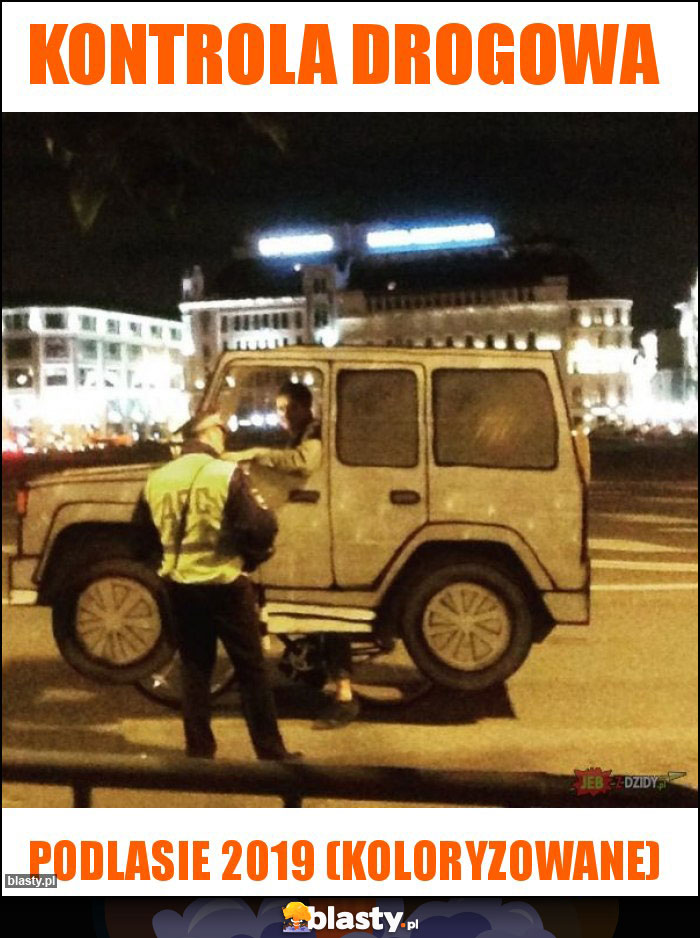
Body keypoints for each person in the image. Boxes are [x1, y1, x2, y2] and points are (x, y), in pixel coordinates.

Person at [135, 410, 301, 762]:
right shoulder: (225, 473)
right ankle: (270, 751)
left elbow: (141, 539)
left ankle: (199, 750)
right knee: (251, 668)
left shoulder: (157, 479)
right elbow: (260, 526)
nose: (225, 436)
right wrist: (251, 558)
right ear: (208, 433)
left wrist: (167, 565)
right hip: (225, 583)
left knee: (195, 668)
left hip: (179, 585)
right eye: (222, 430)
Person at [229, 380, 360, 729]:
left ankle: (344, 694)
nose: (284, 415)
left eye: (290, 408)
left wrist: (257, 454)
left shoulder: (313, 434)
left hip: (325, 528)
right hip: (315, 528)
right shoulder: (301, 434)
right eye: (279, 409)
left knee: (328, 612)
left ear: (306, 407)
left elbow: (303, 463)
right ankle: (311, 672)